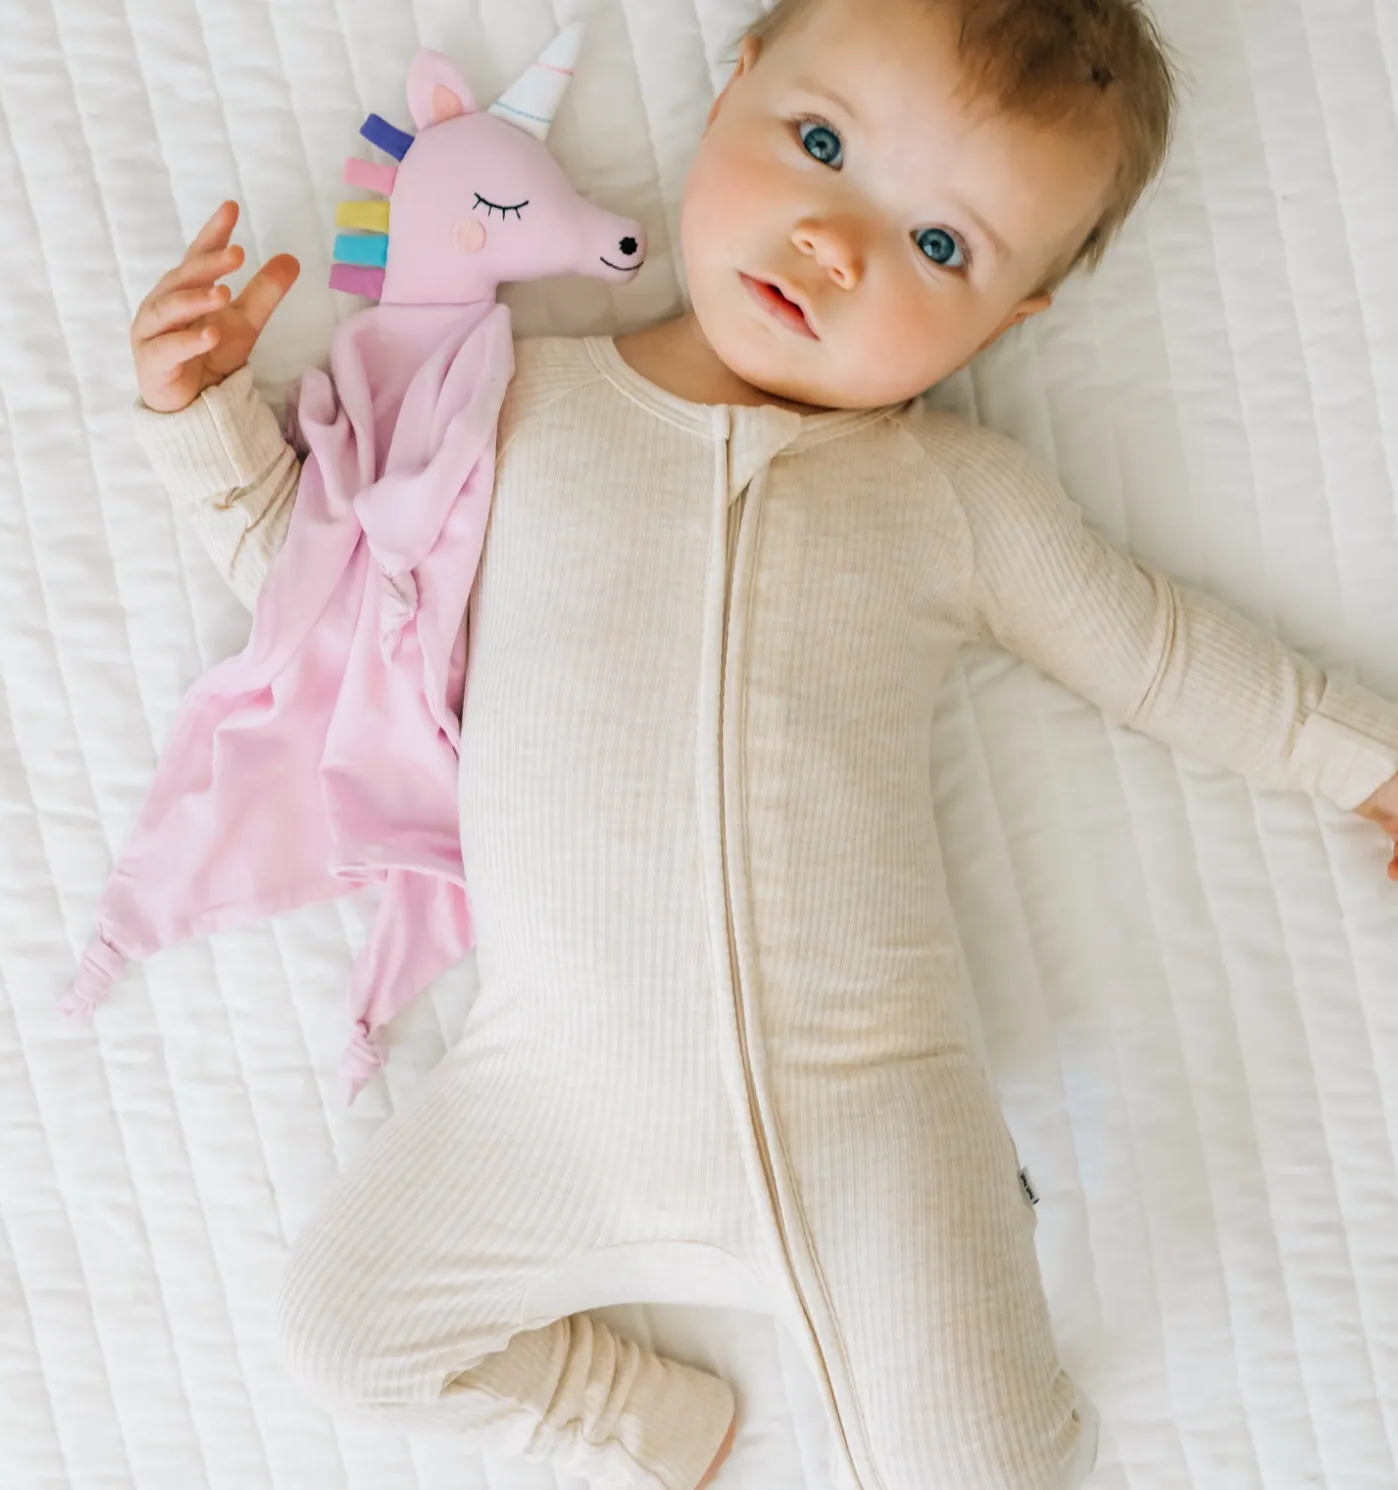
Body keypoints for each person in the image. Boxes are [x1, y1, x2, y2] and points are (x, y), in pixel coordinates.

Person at [124, 2, 1398, 1487]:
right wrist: (200, 413)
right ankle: (641, 1418)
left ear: (1008, 320)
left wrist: (1366, 760)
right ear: (732, 87)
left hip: (876, 1114)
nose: (835, 244)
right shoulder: (512, 402)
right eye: (821, 144)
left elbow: (1161, 654)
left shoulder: (955, 495)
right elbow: (338, 599)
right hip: (551, 1098)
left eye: (942, 246)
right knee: (338, 1327)